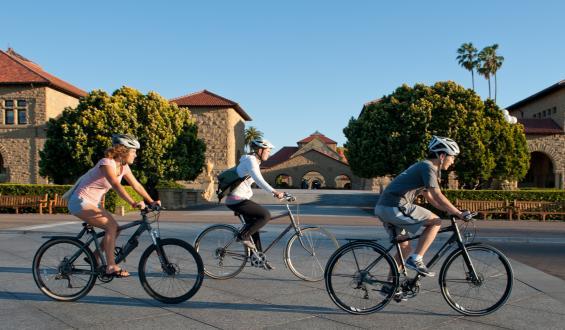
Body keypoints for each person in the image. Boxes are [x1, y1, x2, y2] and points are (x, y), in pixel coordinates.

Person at [374, 136, 471, 278]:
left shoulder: (423, 166)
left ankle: (390, 286)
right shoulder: (428, 167)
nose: (453, 161)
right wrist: (458, 213)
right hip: (395, 205)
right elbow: (436, 194)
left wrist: (449, 211)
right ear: (442, 155)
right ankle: (417, 259)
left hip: (384, 208)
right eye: (452, 157)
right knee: (436, 222)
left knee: (404, 249)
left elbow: (429, 197)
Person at [67, 134, 160, 277]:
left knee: (116, 229)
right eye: (134, 151)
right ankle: (111, 266)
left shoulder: (124, 168)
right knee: (111, 226)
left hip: (92, 203)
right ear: (124, 151)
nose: (135, 155)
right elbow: (116, 185)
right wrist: (133, 202)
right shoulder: (106, 163)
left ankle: (95, 256)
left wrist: (151, 201)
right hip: (80, 201)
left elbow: (136, 185)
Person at [225, 138, 284, 266]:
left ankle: (257, 258)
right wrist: (275, 192)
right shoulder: (251, 161)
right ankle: (242, 236)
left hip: (238, 199)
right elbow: (259, 179)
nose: (269, 153)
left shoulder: (253, 161)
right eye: (268, 150)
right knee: (265, 215)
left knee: (254, 226)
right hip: (237, 199)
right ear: (260, 150)